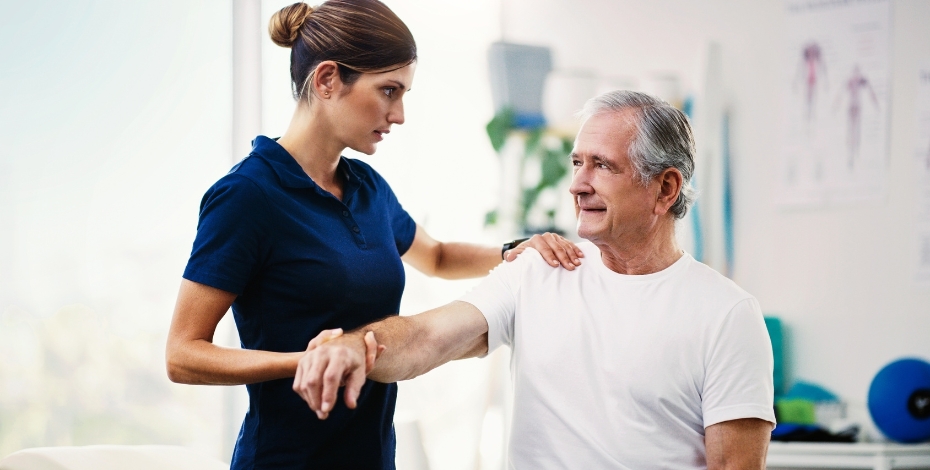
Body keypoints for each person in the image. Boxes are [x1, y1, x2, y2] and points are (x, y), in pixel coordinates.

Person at [164, 1, 582, 469]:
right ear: (326, 80)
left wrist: (513, 251)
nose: (399, 114)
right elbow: (183, 354)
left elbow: (438, 257)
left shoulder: (367, 187)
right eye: (388, 90)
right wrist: (307, 360)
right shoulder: (248, 195)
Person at [295, 90, 777, 469]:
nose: (577, 183)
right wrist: (356, 346)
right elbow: (426, 338)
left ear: (665, 188)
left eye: (602, 166)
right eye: (576, 162)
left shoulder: (726, 315)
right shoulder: (541, 271)